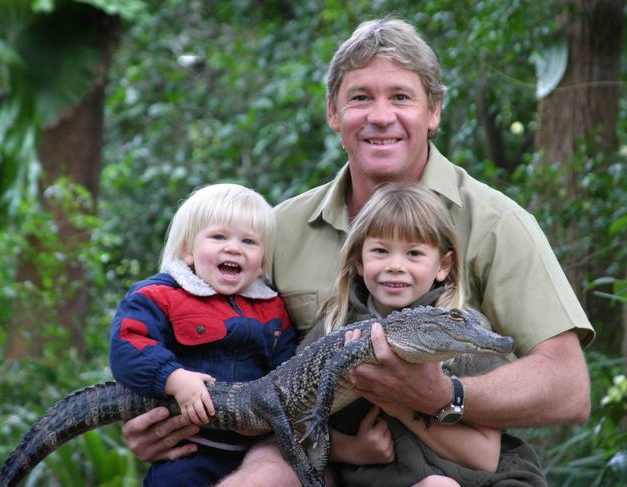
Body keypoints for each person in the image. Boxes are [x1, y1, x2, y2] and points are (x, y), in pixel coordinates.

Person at [120, 18, 595, 486]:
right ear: (333, 112)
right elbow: (204, 332)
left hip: (447, 457)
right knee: (262, 473)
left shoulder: (496, 222)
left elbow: (568, 388)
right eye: (360, 97)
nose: (381, 116)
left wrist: (443, 394)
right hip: (315, 446)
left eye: (401, 97)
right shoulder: (278, 227)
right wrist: (162, 412)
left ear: (434, 111)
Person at [301, 183, 504, 486]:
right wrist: (351, 450)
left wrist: (401, 404)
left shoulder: (464, 334)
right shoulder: (335, 326)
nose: (395, 266)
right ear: (359, 260)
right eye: (381, 251)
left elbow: (485, 457)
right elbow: (292, 420)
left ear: (443, 265)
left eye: (414, 253)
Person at [109, 183, 297, 486]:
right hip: (187, 450)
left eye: (249, 241)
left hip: (254, 453)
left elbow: (287, 367)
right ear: (187, 250)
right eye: (219, 236)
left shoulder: (273, 308)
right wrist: (175, 378)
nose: (234, 248)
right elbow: (129, 345)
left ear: (263, 260)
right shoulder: (160, 295)